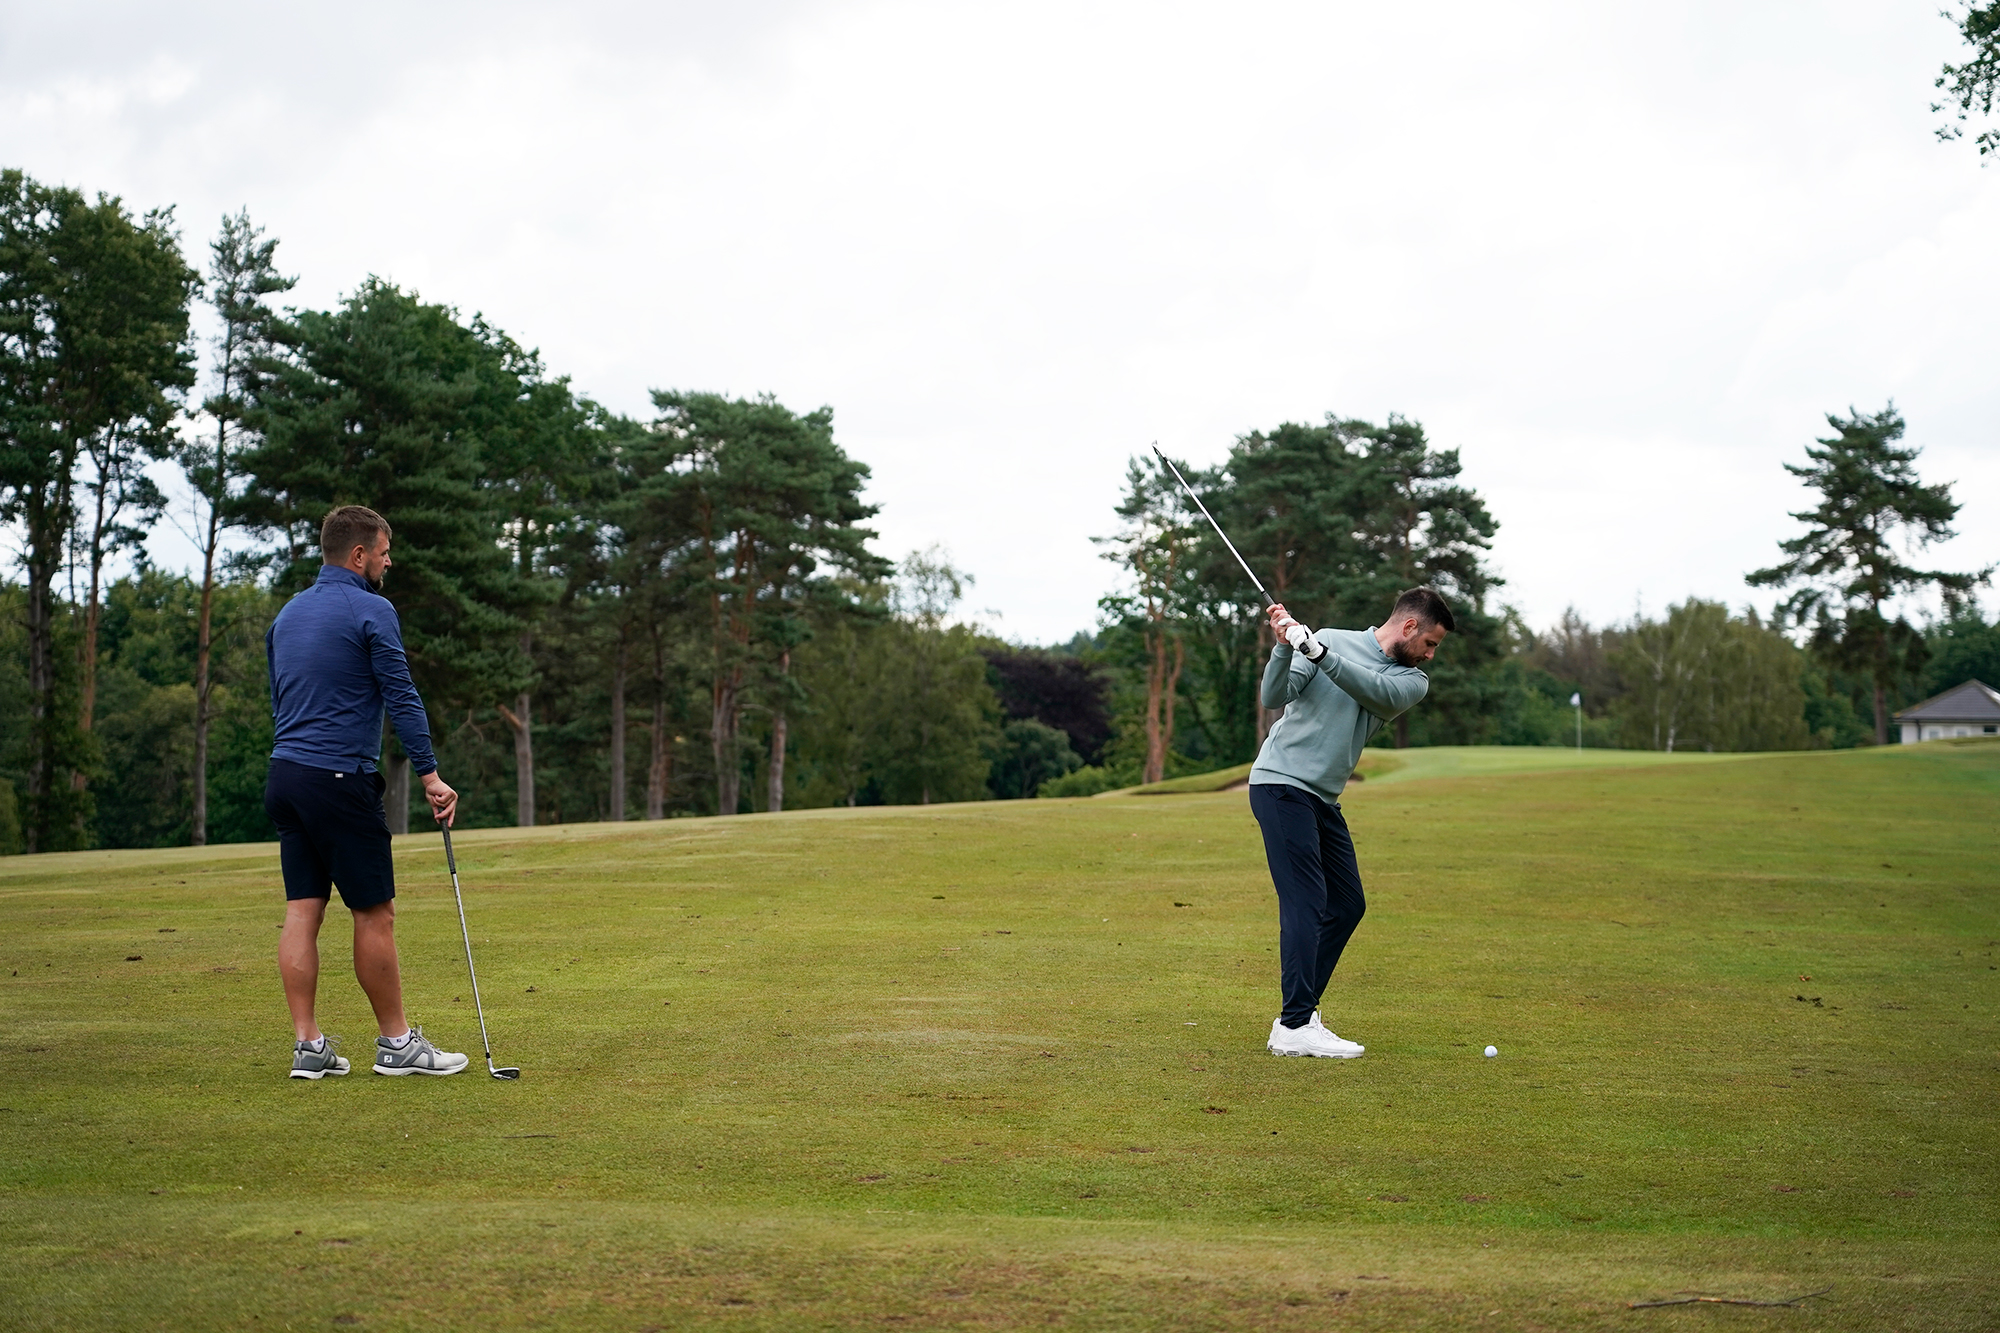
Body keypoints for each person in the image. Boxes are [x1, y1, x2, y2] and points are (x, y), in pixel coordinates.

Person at [266, 505, 470, 1080]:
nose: (388, 561)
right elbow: (401, 695)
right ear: (358, 555)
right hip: (338, 780)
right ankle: (397, 1043)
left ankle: (309, 1046)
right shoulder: (371, 608)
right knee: (374, 912)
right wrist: (430, 774)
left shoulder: (287, 614)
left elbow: (281, 701)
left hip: (285, 776)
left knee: (303, 910)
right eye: (383, 551)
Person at [1248, 586, 1453, 1059]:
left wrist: (1317, 653)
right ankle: (1296, 1024)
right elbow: (1273, 695)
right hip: (1281, 783)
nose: (1430, 654)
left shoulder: (1411, 682)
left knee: (1347, 903)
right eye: (1430, 643)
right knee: (1306, 899)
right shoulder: (1329, 639)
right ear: (1409, 627)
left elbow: (1372, 690)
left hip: (1322, 796)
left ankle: (1296, 1016)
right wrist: (1284, 648)